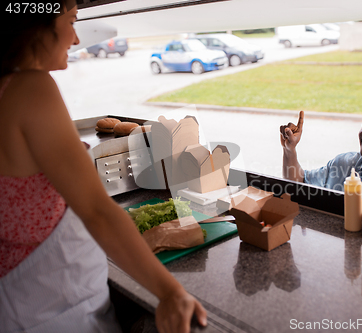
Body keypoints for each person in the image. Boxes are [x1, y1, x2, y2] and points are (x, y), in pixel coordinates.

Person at [0, 2, 207, 332]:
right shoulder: (30, 88)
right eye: (70, 21)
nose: (75, 37)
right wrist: (170, 292)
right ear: (38, 25)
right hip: (53, 309)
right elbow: (97, 211)